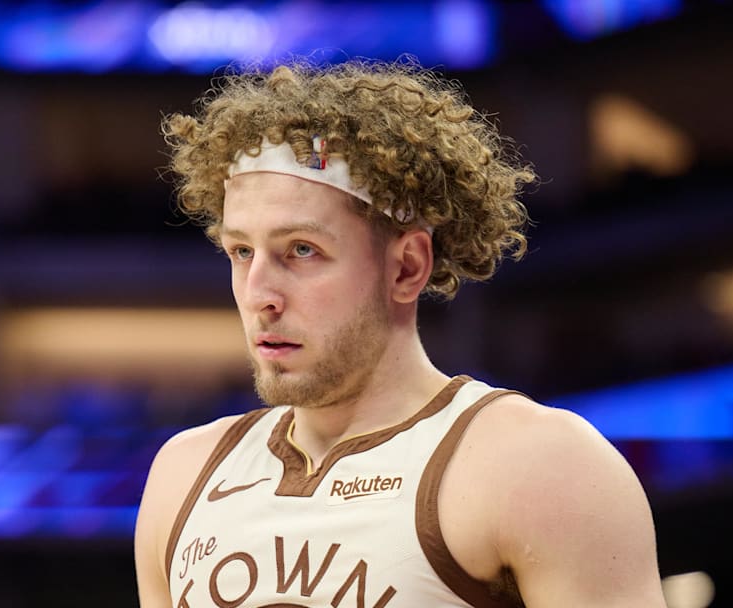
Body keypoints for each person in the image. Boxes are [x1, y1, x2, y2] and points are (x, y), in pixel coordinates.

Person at [135, 60, 667, 608]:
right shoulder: (184, 475)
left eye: (301, 250)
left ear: (407, 266)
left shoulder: (539, 464)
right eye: (242, 251)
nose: (258, 293)